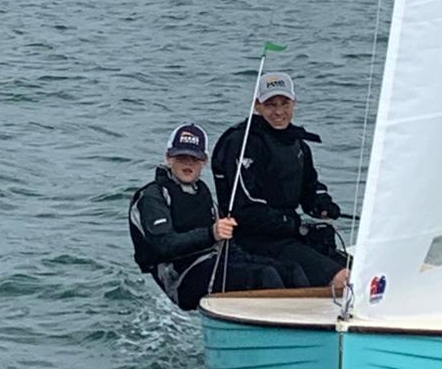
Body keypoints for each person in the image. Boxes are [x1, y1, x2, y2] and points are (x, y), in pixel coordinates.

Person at [129, 123, 304, 310]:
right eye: (181, 157)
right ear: (169, 158)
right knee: (264, 275)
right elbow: (164, 245)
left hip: (214, 262)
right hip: (181, 278)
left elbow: (225, 245)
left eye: (194, 158)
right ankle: (277, 328)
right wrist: (211, 233)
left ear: (204, 161)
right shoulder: (153, 196)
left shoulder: (203, 193)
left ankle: (311, 325)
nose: (188, 163)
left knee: (291, 271)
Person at [212, 73, 350, 291]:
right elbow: (245, 207)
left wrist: (321, 203)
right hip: (254, 241)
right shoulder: (240, 142)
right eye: (270, 105)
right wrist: (290, 222)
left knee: (362, 270)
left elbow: (310, 187)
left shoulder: (298, 145)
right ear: (257, 106)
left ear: (294, 103)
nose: (278, 112)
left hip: (289, 236)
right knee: (344, 279)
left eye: (284, 103)